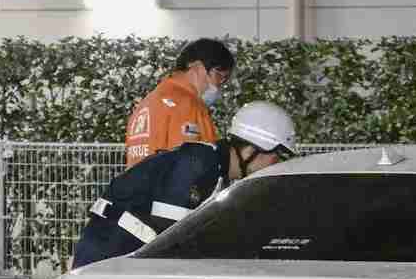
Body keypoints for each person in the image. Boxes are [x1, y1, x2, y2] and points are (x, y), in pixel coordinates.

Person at [73, 102, 297, 268]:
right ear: (251, 150)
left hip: (122, 255)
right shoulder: (198, 165)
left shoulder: (215, 170)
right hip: (108, 256)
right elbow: (173, 237)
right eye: (276, 156)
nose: (276, 164)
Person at [124, 38, 236, 168]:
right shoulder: (188, 105)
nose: (220, 85)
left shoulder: (147, 103)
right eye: (220, 76)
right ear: (197, 67)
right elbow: (190, 169)